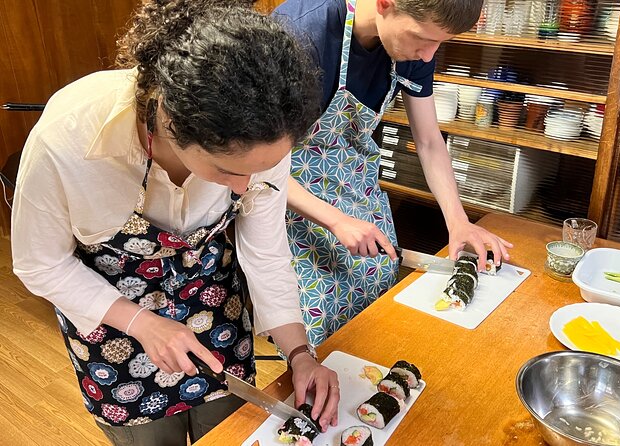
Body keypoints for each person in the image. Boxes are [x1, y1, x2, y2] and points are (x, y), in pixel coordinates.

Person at [11, 1, 340, 445]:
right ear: (169, 124)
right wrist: (143, 324)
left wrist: (300, 353)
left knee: (228, 433)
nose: (243, 189)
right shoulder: (68, 137)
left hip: (216, 316)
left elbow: (265, 251)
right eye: (227, 172)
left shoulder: (263, 133)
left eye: (257, 172)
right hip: (113, 328)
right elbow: (40, 264)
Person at [273, 0, 514, 346]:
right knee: (320, 333)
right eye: (423, 39)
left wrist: (458, 222)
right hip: (288, 195)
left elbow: (430, 141)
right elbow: (258, 167)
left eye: (439, 43)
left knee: (380, 312)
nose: (429, 56)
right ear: (385, 3)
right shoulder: (301, 34)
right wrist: (337, 221)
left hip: (355, 184)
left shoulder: (413, 46)